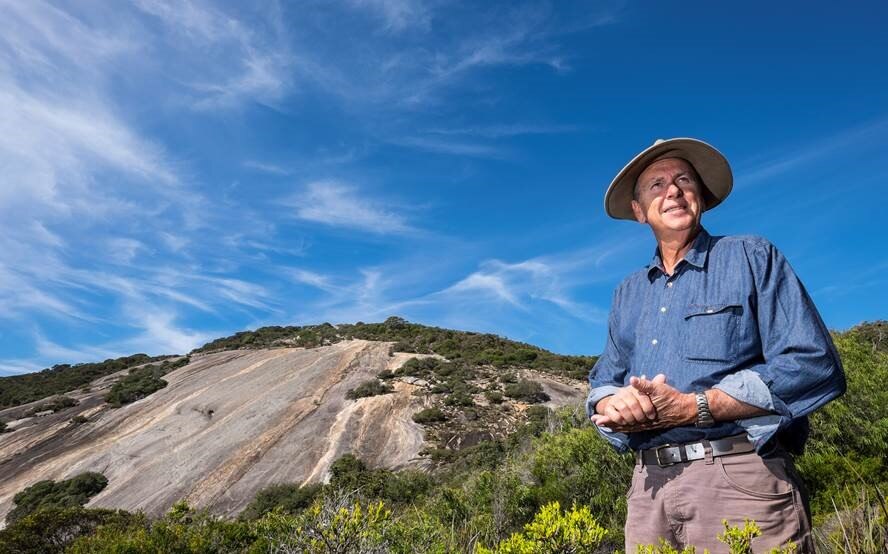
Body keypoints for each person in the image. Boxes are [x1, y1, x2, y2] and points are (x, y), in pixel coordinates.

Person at [586, 138, 846, 552]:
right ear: (638, 211)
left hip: (739, 480)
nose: (672, 190)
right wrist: (609, 404)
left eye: (683, 179)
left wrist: (697, 406)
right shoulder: (627, 292)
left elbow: (813, 364)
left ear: (700, 197)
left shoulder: (752, 256)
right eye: (656, 184)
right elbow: (604, 378)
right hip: (647, 491)